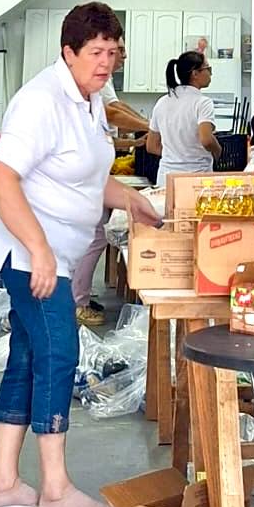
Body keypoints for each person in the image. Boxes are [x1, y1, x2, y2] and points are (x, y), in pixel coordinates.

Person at [0, 2, 161, 507]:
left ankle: (3, 483)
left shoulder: (90, 99)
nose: (106, 63)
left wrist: (131, 199)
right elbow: (0, 177)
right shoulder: (41, 100)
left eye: (113, 52)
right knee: (60, 352)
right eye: (96, 52)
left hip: (53, 251)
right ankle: (55, 489)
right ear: (69, 52)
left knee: (29, 356)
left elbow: (81, 174)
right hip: (32, 254)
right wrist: (37, 250)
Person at [74, 37, 149, 329]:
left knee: (93, 238)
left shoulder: (103, 83)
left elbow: (112, 119)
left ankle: (76, 296)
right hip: (82, 178)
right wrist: (151, 126)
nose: (124, 58)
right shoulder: (95, 81)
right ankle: (77, 301)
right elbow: (113, 112)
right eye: (121, 52)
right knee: (94, 238)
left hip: (90, 175)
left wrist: (142, 129)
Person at [145, 51, 223, 178]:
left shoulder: (162, 102)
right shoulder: (202, 103)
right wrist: (218, 151)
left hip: (166, 177)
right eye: (208, 69)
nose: (211, 74)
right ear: (195, 73)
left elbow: (151, 146)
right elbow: (207, 140)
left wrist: (176, 156)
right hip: (196, 178)